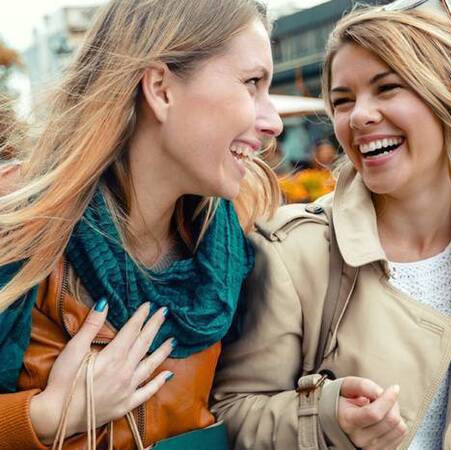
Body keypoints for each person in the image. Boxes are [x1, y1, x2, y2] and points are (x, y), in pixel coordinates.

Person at [211, 3, 451, 450]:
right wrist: (327, 416)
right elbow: (233, 414)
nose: (359, 116)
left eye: (386, 89)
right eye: (343, 100)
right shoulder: (292, 251)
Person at [0, 0, 282, 448]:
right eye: (252, 84)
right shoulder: (16, 222)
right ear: (160, 89)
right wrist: (48, 415)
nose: (274, 121)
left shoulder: (240, 240)